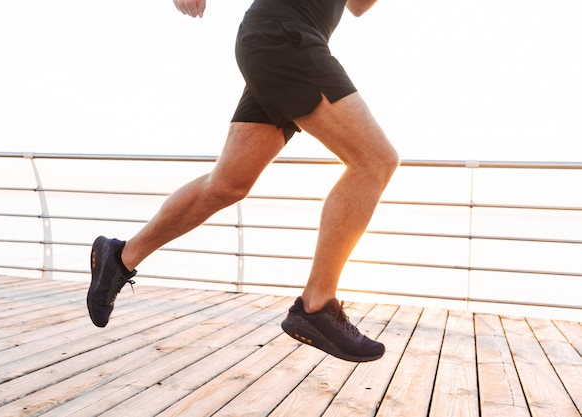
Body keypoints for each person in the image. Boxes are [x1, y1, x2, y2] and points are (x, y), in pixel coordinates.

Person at [87, 0, 398, 363]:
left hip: (279, 41)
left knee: (228, 184)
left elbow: (358, 7)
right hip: (285, 39)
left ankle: (120, 257)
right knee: (374, 161)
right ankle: (317, 306)